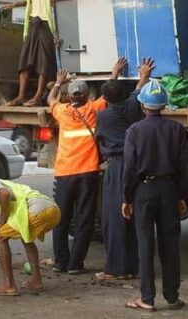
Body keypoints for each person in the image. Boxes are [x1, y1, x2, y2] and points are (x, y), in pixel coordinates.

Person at [47, 57, 127, 274]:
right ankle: (75, 264)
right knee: (84, 218)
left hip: (64, 173)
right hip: (87, 173)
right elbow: (108, 94)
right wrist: (114, 71)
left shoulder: (62, 112)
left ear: (70, 96)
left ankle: (60, 262)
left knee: (61, 219)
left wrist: (57, 82)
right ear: (85, 96)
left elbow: (50, 99)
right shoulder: (94, 109)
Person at [122, 80, 188, 312]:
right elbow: (183, 166)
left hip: (143, 191)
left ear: (143, 106)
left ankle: (147, 299)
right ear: (164, 106)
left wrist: (127, 198)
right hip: (170, 190)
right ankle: (172, 297)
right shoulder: (177, 130)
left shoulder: (134, 131)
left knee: (145, 243)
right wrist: (181, 195)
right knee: (170, 243)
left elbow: (129, 168)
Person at [93, 57, 155, 281]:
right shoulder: (132, 108)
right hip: (136, 166)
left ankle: (116, 269)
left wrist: (113, 73)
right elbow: (137, 91)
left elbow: (98, 134)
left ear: (106, 99)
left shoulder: (102, 115)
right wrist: (144, 75)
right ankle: (134, 267)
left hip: (117, 167)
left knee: (114, 218)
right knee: (134, 216)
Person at [4, 0, 69, 107]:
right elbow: (27, 1)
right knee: (24, 61)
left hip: (48, 26)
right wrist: (13, 5)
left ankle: (39, 96)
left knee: (43, 63)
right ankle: (21, 96)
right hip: (34, 23)